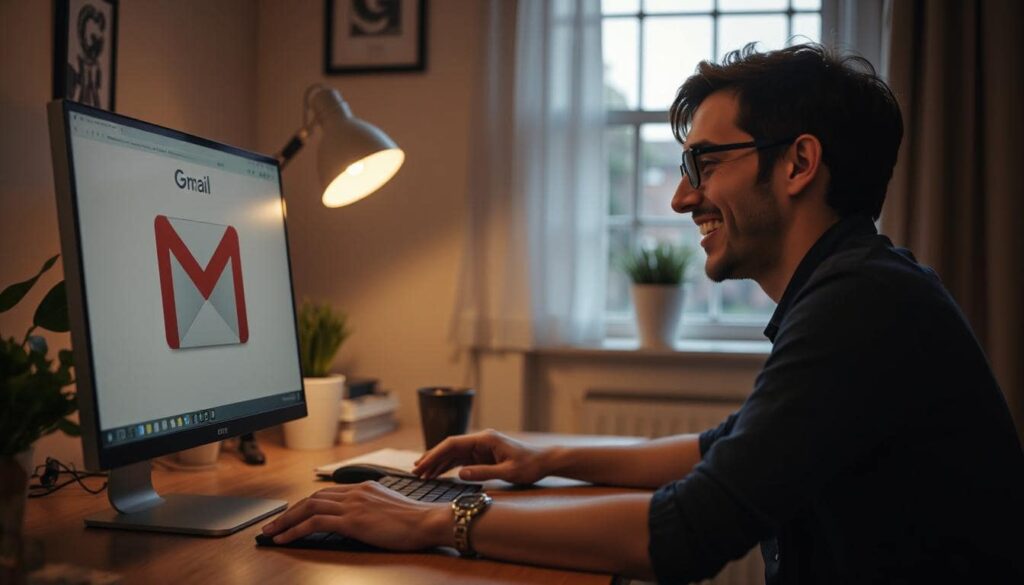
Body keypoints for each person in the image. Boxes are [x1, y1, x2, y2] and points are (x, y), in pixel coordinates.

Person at [261, 43, 1024, 584]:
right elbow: (720, 448)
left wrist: (431, 521)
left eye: (704, 163)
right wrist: (545, 457)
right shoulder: (857, 287)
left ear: (798, 163)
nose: (681, 196)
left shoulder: (863, 305)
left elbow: (685, 533)